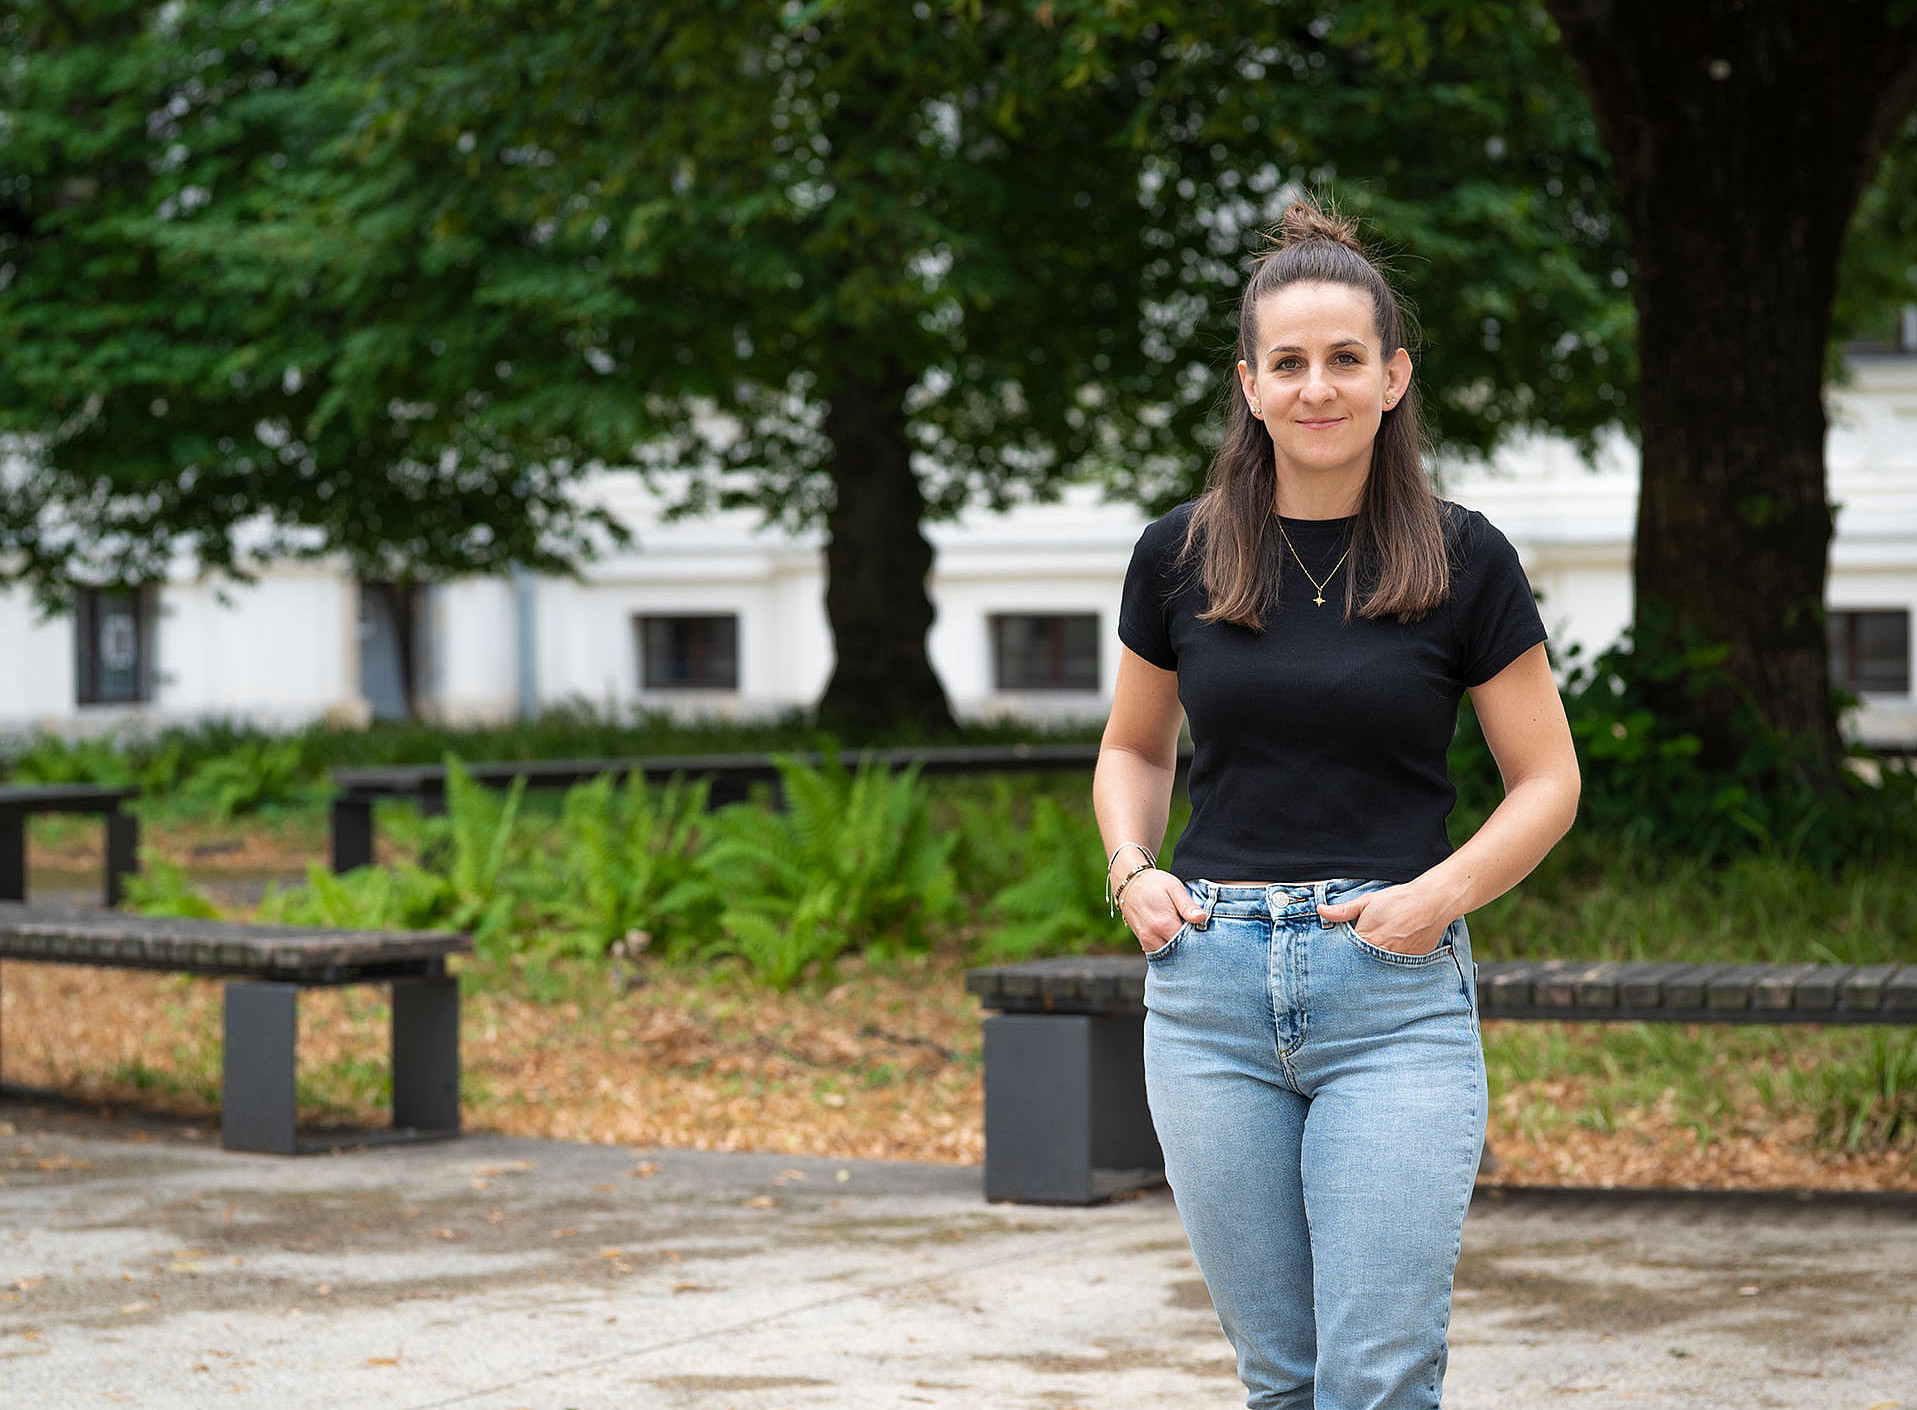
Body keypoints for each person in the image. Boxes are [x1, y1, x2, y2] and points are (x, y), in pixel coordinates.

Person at [1092, 197, 1580, 1410]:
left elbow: (1550, 782)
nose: (1320, 387)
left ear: (1394, 376)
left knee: (1375, 1375)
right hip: (1206, 994)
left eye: (1347, 359)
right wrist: (1129, 868)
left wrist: (1438, 899)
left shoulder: (1464, 559)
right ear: (1249, 384)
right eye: (1291, 362)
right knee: (1281, 1379)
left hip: (1393, 995)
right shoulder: (1180, 554)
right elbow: (1132, 748)